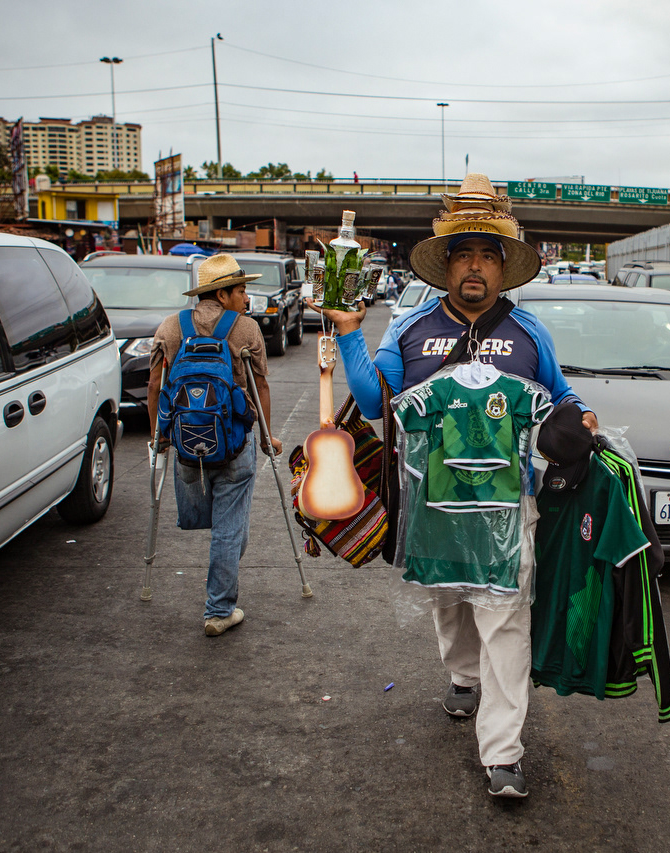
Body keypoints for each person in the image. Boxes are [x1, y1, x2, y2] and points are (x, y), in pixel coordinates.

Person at [314, 174, 597, 798]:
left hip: (507, 507)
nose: (475, 267)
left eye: (487, 256)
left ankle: (502, 754)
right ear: (446, 264)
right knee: (451, 605)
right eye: (464, 254)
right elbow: (372, 399)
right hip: (432, 506)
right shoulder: (412, 330)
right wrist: (349, 331)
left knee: (505, 620)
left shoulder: (529, 335)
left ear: (504, 268)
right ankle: (463, 676)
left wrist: (581, 422)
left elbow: (564, 398)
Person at [147, 254, 282, 637]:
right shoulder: (246, 330)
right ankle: (219, 610)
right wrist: (266, 436)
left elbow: (155, 385)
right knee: (229, 529)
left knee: (218, 523)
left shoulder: (170, 328)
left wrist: (159, 436)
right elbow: (262, 386)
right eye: (240, 291)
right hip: (236, 446)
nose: (246, 298)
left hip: (188, 447)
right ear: (221, 294)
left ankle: (223, 560)